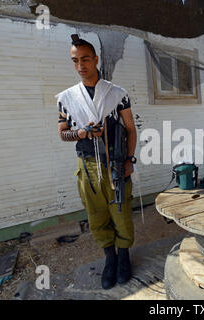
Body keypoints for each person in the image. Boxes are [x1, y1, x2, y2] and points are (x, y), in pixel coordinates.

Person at [56, 35, 137, 289]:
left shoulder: (117, 94)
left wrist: (130, 159)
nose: (81, 65)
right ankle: (110, 259)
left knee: (121, 213)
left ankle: (124, 257)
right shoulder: (66, 99)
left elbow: (131, 129)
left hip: (115, 163)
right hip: (88, 168)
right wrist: (81, 133)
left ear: (95, 60)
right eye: (75, 61)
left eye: (85, 59)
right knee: (96, 216)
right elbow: (63, 133)